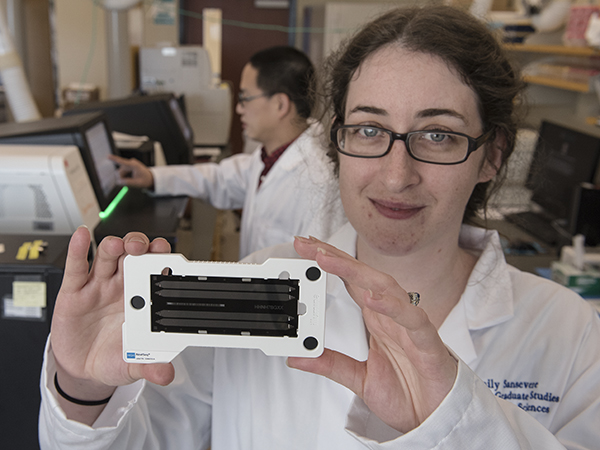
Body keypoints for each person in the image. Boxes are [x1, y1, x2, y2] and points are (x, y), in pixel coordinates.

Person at [39, 6, 600, 449]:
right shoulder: (253, 288)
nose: (396, 175)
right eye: (367, 130)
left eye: (438, 135)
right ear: (336, 143)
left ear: (492, 155)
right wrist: (82, 389)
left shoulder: (568, 334)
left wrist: (456, 422)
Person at [109, 46, 346, 259]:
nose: (239, 108)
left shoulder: (320, 179)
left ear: (280, 105)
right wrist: (153, 177)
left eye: (245, 98)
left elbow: (323, 275)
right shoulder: (269, 157)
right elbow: (218, 178)